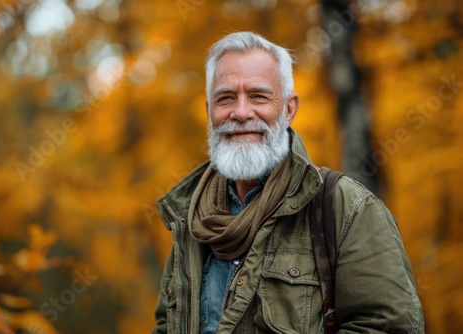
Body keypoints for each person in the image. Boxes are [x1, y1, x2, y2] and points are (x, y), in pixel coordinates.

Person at [153, 31, 424, 334]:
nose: (241, 112)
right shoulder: (189, 218)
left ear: (289, 109)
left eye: (258, 96)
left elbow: (388, 328)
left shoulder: (346, 208)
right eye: (226, 98)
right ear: (209, 112)